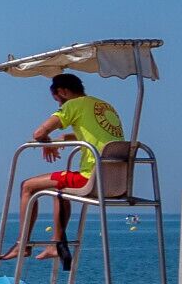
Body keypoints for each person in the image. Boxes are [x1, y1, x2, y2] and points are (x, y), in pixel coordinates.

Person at [14, 73, 125, 265]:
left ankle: (22, 244)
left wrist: (46, 141)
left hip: (91, 178)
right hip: (118, 180)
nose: (59, 107)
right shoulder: (104, 106)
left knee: (27, 186)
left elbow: (39, 133)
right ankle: (55, 244)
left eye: (58, 101)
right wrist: (60, 140)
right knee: (59, 187)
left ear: (63, 91)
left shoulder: (72, 105)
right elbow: (90, 133)